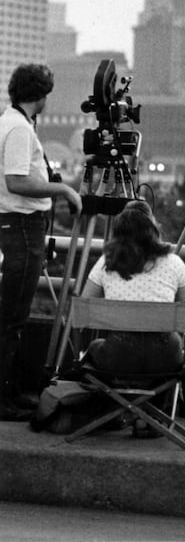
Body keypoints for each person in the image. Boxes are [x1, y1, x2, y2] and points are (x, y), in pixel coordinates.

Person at [0, 63, 83, 421]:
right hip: (22, 225)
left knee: (12, 316)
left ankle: (11, 393)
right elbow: (17, 181)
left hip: (17, 225)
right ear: (40, 95)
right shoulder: (19, 128)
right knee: (11, 318)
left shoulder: (12, 122)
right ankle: (4, 399)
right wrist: (63, 190)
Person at [82, 200, 185, 377]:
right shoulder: (174, 263)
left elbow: (84, 309)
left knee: (94, 347)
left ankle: (110, 392)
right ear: (153, 229)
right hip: (165, 358)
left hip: (119, 356)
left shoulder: (107, 262)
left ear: (118, 233)